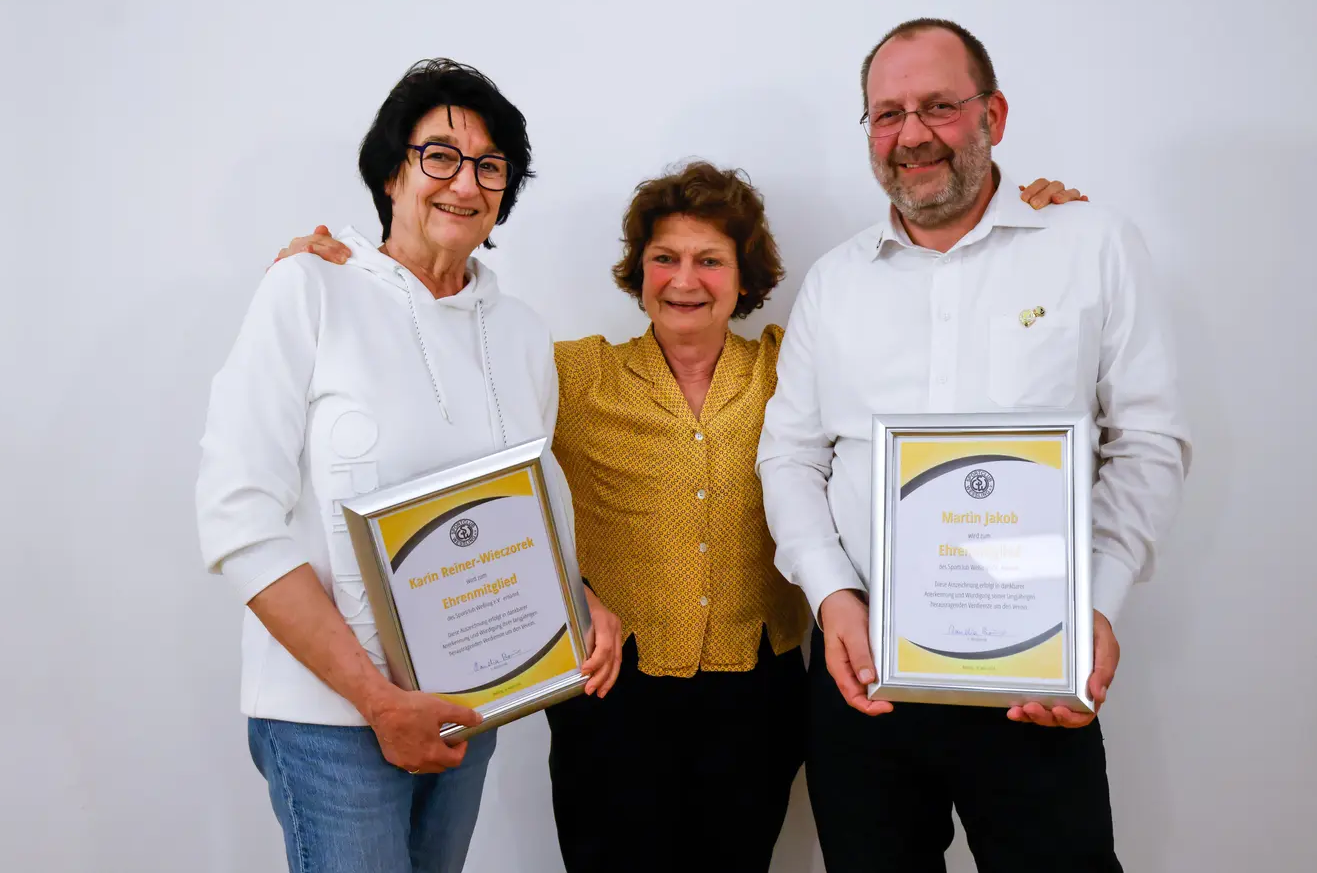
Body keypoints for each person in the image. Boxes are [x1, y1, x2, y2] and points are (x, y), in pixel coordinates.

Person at [275, 160, 1086, 871]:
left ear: (744, 274)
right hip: (611, 693)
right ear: (639, 272)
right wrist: (355, 281)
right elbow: (453, 387)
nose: (684, 279)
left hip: (756, 693)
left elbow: (917, 352)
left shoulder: (786, 367)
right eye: (664, 258)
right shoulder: (578, 374)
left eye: (709, 259)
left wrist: (1025, 227)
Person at [756, 18, 1192, 873]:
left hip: (1035, 672)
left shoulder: (1092, 244)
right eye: (887, 114)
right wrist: (831, 594)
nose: (911, 134)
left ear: (992, 113)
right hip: (864, 669)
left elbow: (1148, 439)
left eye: (939, 106)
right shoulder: (835, 282)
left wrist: (1096, 606)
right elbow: (791, 455)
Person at [194, 58, 621, 873]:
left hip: (469, 707)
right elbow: (237, 517)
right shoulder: (307, 292)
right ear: (391, 171)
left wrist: (582, 605)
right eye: (440, 155)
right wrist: (377, 700)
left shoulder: (524, 335)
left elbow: (515, 521)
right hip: (327, 718)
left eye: (491, 165)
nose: (466, 181)